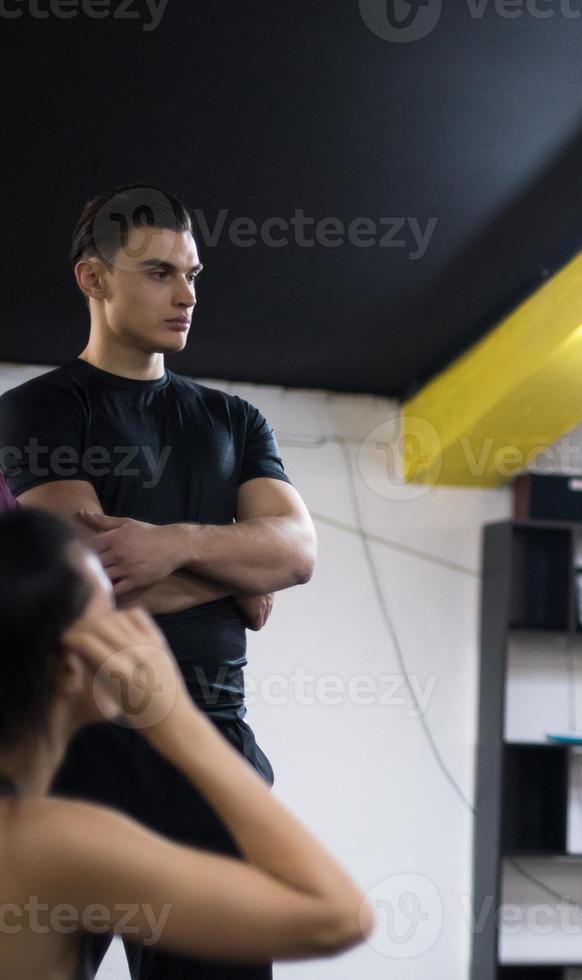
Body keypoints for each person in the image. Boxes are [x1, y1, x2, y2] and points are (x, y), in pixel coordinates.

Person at [0, 184, 317, 978]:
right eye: (158, 272)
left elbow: (298, 552)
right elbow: (88, 584)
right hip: (80, 752)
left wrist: (171, 544)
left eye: (193, 273)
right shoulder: (40, 410)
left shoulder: (233, 421)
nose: (186, 295)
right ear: (94, 279)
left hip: (213, 748)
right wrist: (237, 572)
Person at [0, 507, 371, 979]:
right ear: (71, 666)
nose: (134, 626)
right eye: (112, 614)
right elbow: (335, 915)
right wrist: (175, 718)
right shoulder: (53, 842)